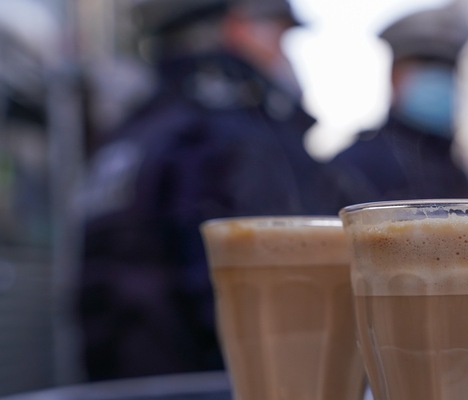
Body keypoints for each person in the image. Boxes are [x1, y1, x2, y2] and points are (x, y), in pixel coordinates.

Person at [77, 0, 342, 380]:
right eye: (280, 38)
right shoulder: (231, 135)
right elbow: (257, 302)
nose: (283, 55)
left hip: (133, 380)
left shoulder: (136, 128)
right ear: (239, 27)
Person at [329, 4, 468, 203]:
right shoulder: (354, 166)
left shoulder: (458, 173)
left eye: (448, 68)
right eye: (426, 64)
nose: (440, 78)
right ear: (394, 76)